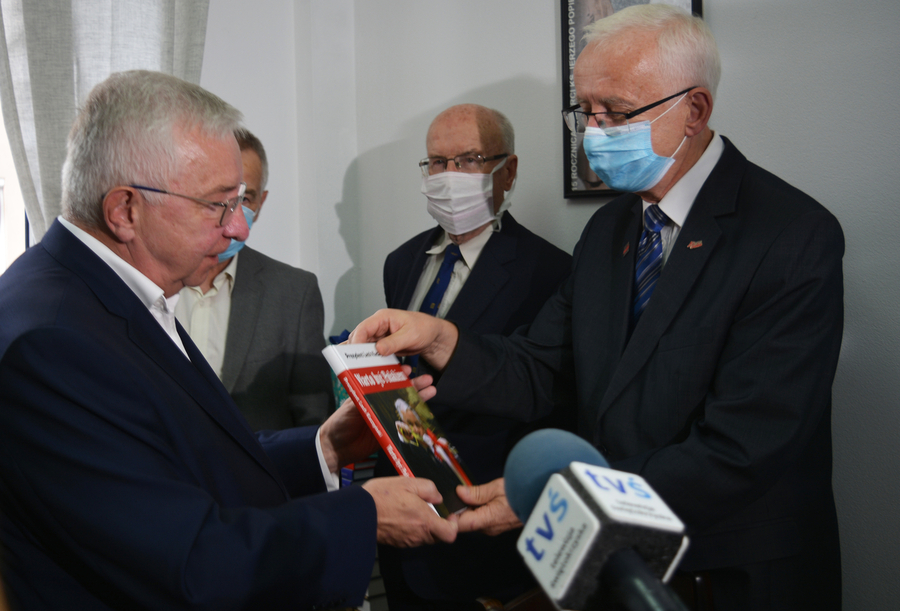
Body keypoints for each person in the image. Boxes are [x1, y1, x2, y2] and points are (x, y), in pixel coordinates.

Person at [351, 5, 844, 611]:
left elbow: (745, 446)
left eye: (617, 111)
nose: (594, 130)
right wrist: (440, 339)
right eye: (585, 110)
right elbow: (540, 366)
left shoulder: (790, 235)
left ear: (694, 111)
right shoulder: (610, 229)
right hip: (611, 563)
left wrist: (560, 492)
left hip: (732, 569)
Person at [0, 69, 458, 611]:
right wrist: (363, 515)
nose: (239, 228)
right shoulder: (53, 343)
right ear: (125, 210)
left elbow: (187, 453)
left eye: (242, 202)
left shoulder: (107, 291)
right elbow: (190, 562)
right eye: (217, 204)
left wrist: (325, 446)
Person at [379, 103, 572, 610]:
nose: (447, 177)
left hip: (485, 526)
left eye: (467, 160)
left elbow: (546, 394)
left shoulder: (551, 270)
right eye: (436, 163)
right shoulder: (400, 262)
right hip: (400, 512)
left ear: (506, 170)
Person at [176, 128, 333, 430]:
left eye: (245, 197)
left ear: (261, 202)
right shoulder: (149, 281)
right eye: (219, 196)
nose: (231, 213)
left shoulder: (294, 293)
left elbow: (316, 426)